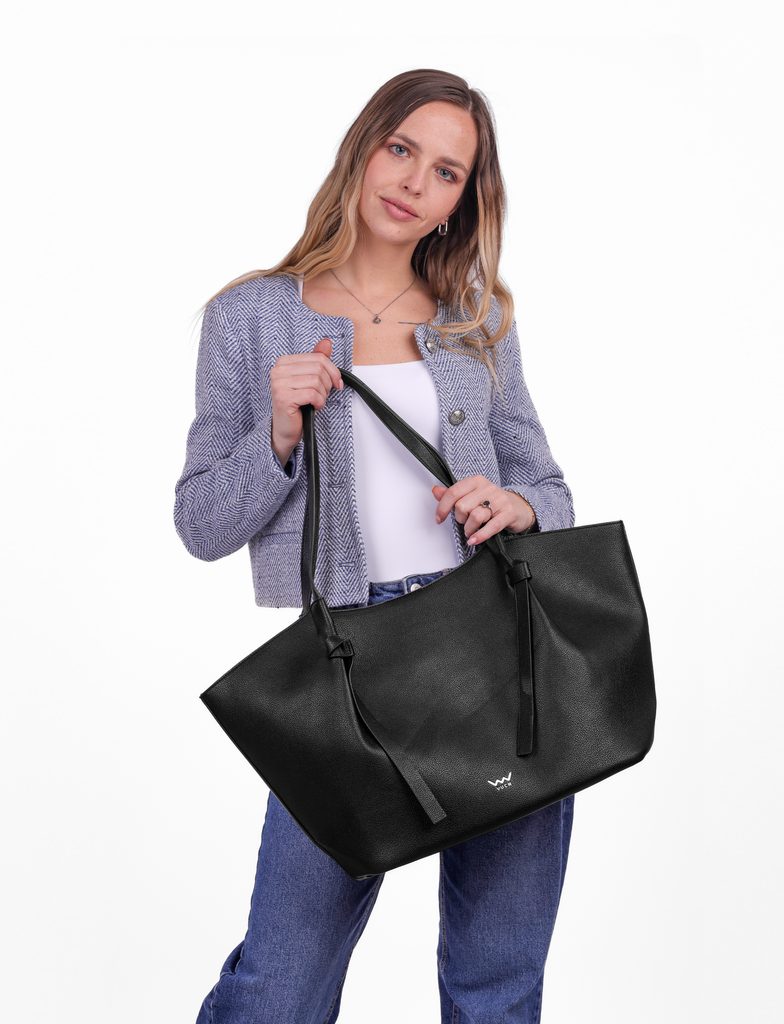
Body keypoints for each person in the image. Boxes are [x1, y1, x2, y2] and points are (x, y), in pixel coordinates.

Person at [174, 68, 576, 1024]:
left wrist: (512, 503)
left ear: (460, 201)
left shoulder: (478, 320)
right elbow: (200, 524)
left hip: (494, 656)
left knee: (497, 987)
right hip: (346, 672)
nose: (413, 183)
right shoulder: (251, 317)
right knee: (280, 987)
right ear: (364, 148)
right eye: (402, 149)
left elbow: (553, 494)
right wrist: (277, 435)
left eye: (446, 172)